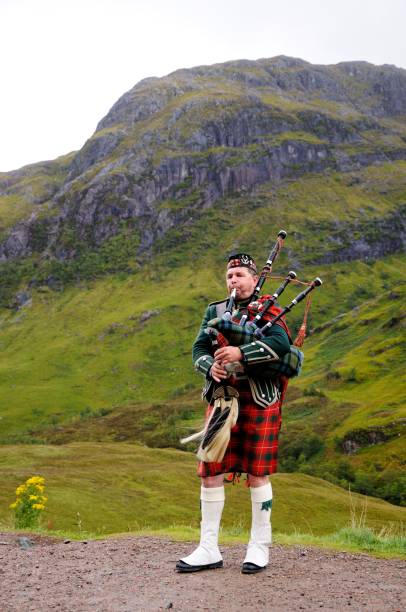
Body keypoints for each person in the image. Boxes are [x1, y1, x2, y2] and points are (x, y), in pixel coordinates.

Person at [176, 252, 291, 574]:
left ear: (254, 280)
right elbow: (199, 347)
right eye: (230, 276)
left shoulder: (270, 307)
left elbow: (281, 343)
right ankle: (208, 548)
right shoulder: (215, 310)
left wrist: (241, 352)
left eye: (240, 275)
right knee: (210, 468)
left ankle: (258, 547)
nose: (234, 281)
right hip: (223, 398)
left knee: (258, 472)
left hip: (259, 396)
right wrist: (209, 366)